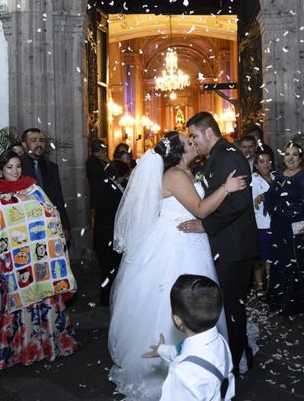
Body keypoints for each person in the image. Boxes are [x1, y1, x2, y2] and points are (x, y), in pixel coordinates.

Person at [108, 132, 246, 400]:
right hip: (176, 246)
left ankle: (194, 353)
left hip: (190, 241)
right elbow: (201, 209)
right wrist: (226, 189)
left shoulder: (186, 172)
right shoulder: (175, 176)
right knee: (175, 300)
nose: (194, 143)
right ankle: (174, 363)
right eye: (189, 141)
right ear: (180, 151)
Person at [0, 150, 78, 370]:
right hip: (14, 261)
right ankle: (22, 348)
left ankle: (50, 344)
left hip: (41, 257)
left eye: (17, 166)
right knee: (19, 296)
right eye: (9, 167)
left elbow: (51, 212)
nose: (15, 171)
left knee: (44, 295)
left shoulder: (33, 188)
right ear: (0, 170)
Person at [182, 112, 259, 373]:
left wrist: (206, 224)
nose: (193, 142)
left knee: (232, 308)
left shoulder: (228, 156)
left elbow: (239, 202)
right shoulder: (216, 156)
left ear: (209, 132)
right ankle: (242, 353)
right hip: (225, 244)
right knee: (231, 307)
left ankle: (235, 365)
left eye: (194, 135)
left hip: (235, 246)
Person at [143, 274, 235, 401]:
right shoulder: (221, 342)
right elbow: (189, 354)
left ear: (177, 320)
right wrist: (161, 350)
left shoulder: (182, 374)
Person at [264, 142, 304, 315]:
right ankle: (282, 303)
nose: (290, 158)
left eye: (294, 154)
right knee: (282, 262)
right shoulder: (278, 176)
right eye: (287, 154)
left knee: (301, 263)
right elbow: (271, 198)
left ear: (300, 158)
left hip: (299, 227)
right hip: (279, 228)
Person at [20, 128, 71, 242]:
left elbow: (58, 198)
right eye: (34, 140)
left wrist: (65, 225)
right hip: (26, 226)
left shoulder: (52, 167)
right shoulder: (16, 168)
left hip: (50, 225)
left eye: (41, 140)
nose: (39, 144)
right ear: (24, 145)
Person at [93, 160, 130, 306]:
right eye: (124, 175)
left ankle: (109, 295)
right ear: (118, 175)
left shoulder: (113, 185)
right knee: (107, 268)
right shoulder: (107, 188)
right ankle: (106, 298)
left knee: (111, 267)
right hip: (106, 234)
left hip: (109, 233)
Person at [250, 146, 274, 295]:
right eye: (261, 161)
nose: (265, 164)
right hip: (260, 224)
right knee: (261, 257)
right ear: (256, 165)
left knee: (271, 258)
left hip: (275, 223)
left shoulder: (276, 177)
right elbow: (251, 201)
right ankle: (260, 285)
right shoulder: (253, 179)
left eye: (268, 161)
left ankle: (271, 285)